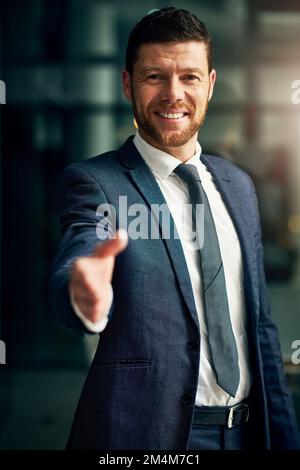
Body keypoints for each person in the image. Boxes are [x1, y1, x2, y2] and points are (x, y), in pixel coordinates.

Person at [49, 7, 299, 450]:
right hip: (150, 437)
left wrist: (284, 436)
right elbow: (83, 245)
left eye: (189, 77)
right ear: (128, 84)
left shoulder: (239, 186)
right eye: (154, 77)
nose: (173, 94)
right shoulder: (97, 183)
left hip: (248, 433)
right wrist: (81, 290)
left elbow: (261, 327)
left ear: (211, 84)